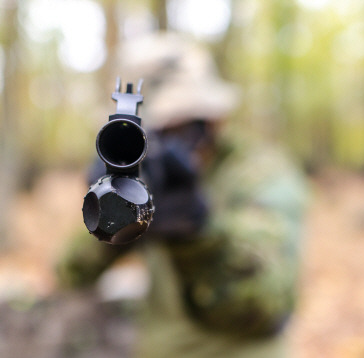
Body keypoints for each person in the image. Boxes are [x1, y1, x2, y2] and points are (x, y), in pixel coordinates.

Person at [57, 32, 307, 358]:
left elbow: (266, 305)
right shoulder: (140, 183)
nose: (168, 146)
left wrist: (197, 234)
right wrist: (106, 219)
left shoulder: (259, 174)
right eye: (152, 135)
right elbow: (71, 272)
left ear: (215, 120)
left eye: (184, 129)